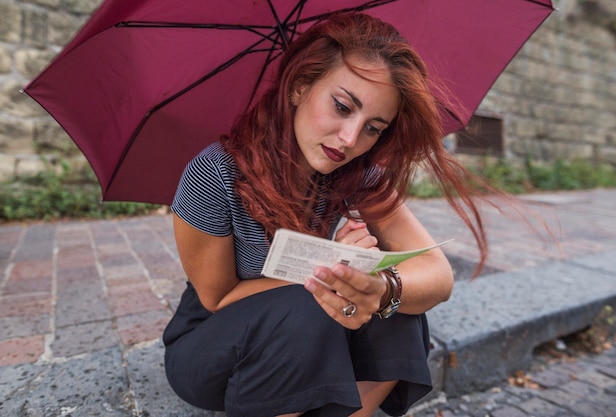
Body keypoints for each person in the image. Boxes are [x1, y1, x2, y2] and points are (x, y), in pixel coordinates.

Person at [163, 12, 490, 417]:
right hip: (213, 349)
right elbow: (217, 297)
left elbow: (437, 276)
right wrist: (329, 268)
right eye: (341, 106)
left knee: (397, 305)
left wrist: (379, 288)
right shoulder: (214, 173)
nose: (351, 139)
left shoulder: (362, 176)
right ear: (300, 87)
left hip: (310, 345)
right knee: (308, 306)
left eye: (374, 128)